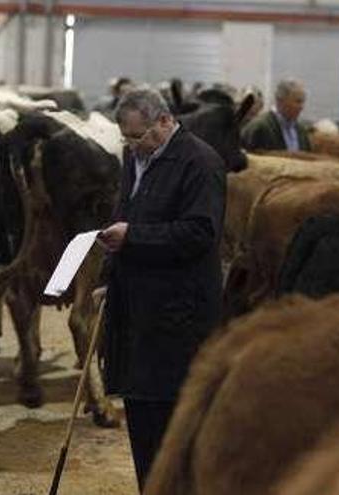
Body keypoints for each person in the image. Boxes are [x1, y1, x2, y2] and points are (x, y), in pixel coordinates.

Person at [97, 89, 226, 490]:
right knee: (141, 417)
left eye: (139, 137)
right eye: (127, 139)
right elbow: (125, 212)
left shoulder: (200, 162)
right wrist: (109, 277)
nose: (133, 146)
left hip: (178, 317)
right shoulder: (134, 158)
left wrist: (132, 237)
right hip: (137, 311)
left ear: (165, 121)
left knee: (174, 427)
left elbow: (200, 232)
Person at [241, 78, 312, 152]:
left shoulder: (302, 131)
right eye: (298, 101)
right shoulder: (259, 128)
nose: (301, 107)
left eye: (302, 102)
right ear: (280, 100)